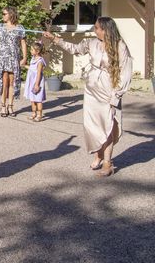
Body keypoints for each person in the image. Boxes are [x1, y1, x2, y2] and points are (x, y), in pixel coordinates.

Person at [44, 17, 132, 177]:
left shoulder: (120, 46)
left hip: (108, 91)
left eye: (97, 28)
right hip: (92, 90)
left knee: (108, 126)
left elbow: (125, 74)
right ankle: (98, 154)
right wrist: (55, 39)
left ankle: (107, 163)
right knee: (93, 125)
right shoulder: (91, 43)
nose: (94, 30)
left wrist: (116, 96)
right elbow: (73, 49)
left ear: (106, 30)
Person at [0, 6, 27, 117]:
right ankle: (3, 106)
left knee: (12, 82)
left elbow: (23, 43)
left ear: (11, 14)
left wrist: (24, 58)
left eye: (4, 14)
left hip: (14, 57)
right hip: (2, 57)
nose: (3, 16)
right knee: (4, 82)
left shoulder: (20, 28)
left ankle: (10, 106)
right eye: (2, 14)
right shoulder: (0, 26)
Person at [24, 41, 46, 122]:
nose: (30, 51)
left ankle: (39, 115)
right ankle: (34, 113)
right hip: (31, 82)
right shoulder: (33, 59)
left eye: (32, 50)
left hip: (37, 82)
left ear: (37, 51)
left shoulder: (40, 61)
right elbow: (31, 68)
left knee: (38, 99)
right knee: (32, 99)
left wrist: (36, 84)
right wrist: (24, 66)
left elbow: (39, 73)